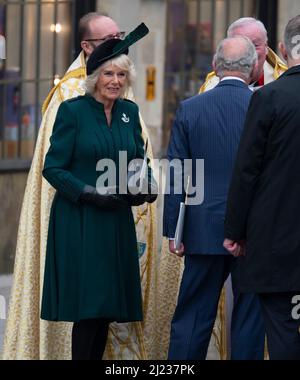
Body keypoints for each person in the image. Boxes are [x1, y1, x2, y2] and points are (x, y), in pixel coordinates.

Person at [3, 13, 158, 360]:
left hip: (115, 222)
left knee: (106, 309)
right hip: (80, 220)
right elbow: (52, 167)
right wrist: (88, 192)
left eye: (121, 74)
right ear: (94, 76)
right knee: (88, 309)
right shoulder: (72, 111)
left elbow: (139, 160)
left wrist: (146, 184)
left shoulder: (129, 113)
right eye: (108, 73)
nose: (115, 81)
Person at [156, 17, 287, 360]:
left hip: (201, 228)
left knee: (193, 316)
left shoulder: (190, 108)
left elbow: (178, 174)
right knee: (248, 318)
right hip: (251, 232)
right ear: (254, 66)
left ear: (214, 66)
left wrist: (174, 229)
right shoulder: (266, 106)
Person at [223, 15, 300, 361]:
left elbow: (246, 171)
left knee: (282, 327)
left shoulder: (268, 98)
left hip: (276, 241)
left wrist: (235, 231)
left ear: (281, 50)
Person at [200, 17, 287, 93]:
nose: (249, 53)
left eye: (255, 45)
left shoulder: (283, 82)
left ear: (266, 47)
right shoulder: (211, 86)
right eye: (239, 46)